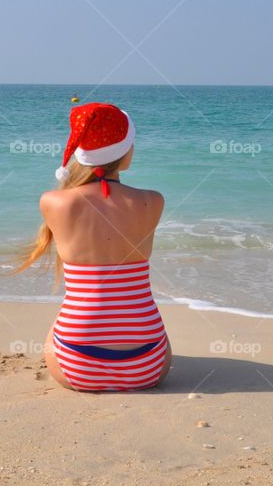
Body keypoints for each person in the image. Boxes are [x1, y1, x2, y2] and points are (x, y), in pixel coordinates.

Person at [14, 102, 172, 392]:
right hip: (148, 366)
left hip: (77, 365)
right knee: (144, 323)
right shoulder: (153, 201)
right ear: (124, 153)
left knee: (61, 322)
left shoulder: (53, 202)